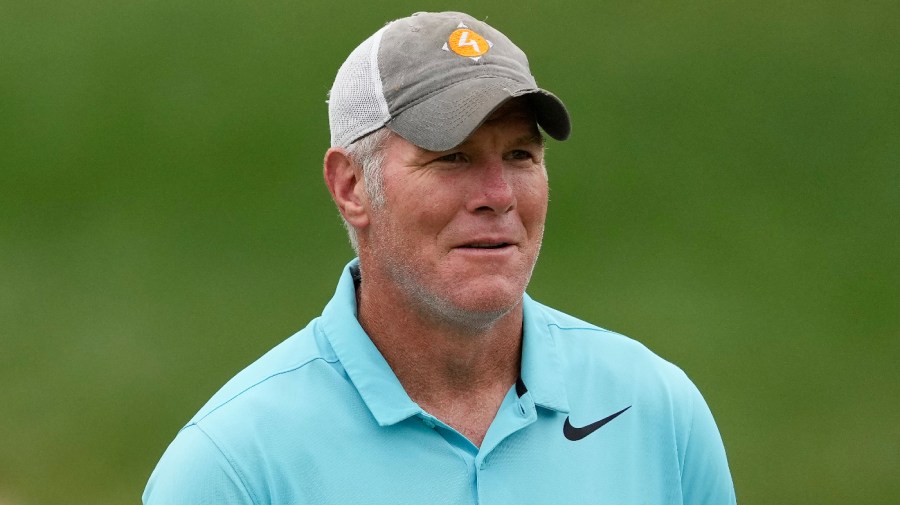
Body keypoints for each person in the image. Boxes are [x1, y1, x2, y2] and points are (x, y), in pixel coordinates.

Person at [143, 11, 736, 504]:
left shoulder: (655, 410)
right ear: (351, 186)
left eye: (522, 156)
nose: (499, 196)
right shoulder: (232, 469)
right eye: (452, 157)